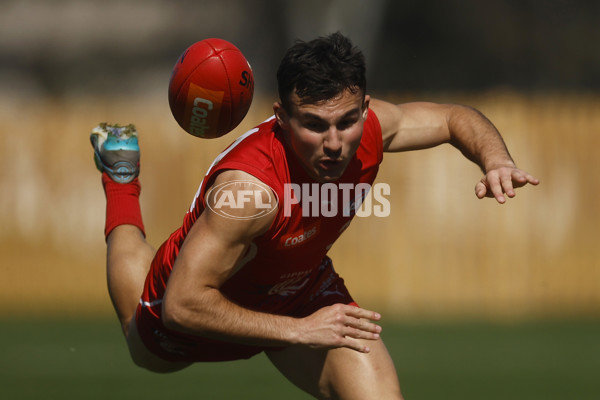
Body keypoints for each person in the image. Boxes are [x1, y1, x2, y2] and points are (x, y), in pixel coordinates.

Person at [90, 32, 539, 399]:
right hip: (201, 305)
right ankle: (122, 178)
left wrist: (495, 160)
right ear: (281, 118)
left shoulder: (372, 129)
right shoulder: (249, 193)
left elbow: (454, 117)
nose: (334, 142)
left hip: (298, 292)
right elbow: (182, 306)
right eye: (314, 125)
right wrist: (298, 331)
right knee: (141, 345)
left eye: (347, 121)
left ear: (365, 109)